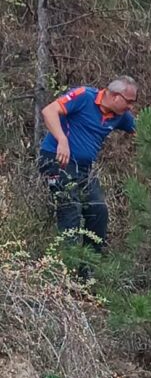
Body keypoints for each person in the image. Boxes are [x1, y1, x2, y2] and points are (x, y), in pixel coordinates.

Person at [38, 76, 138, 277]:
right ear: (115, 96)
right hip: (56, 161)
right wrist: (62, 140)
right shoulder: (84, 96)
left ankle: (86, 277)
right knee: (70, 210)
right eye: (128, 101)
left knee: (98, 212)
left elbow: (148, 135)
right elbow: (49, 111)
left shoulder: (120, 116)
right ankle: (65, 274)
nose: (130, 107)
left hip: (83, 169)